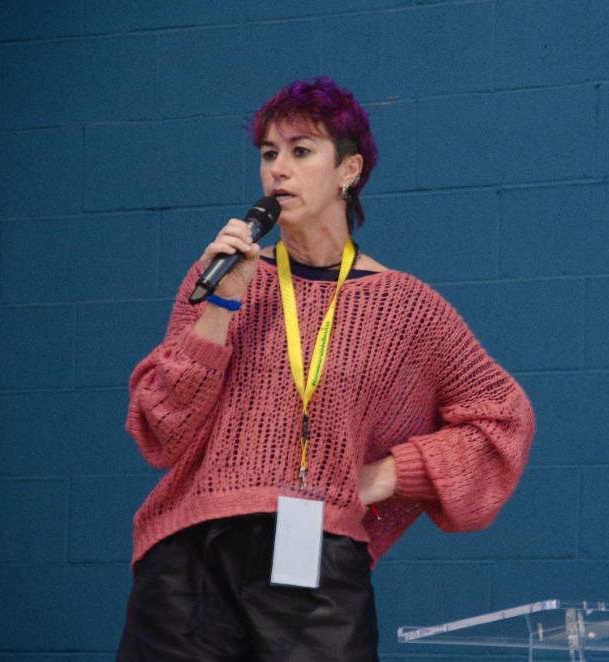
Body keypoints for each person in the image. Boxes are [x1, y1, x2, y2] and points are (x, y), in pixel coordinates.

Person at [116, 76, 535, 661]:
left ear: (349, 170)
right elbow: (162, 432)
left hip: (317, 561)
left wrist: (385, 476)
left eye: (300, 151)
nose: (278, 171)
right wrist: (221, 307)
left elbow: (503, 422)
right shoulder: (221, 278)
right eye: (269, 154)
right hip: (192, 562)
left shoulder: (406, 307)